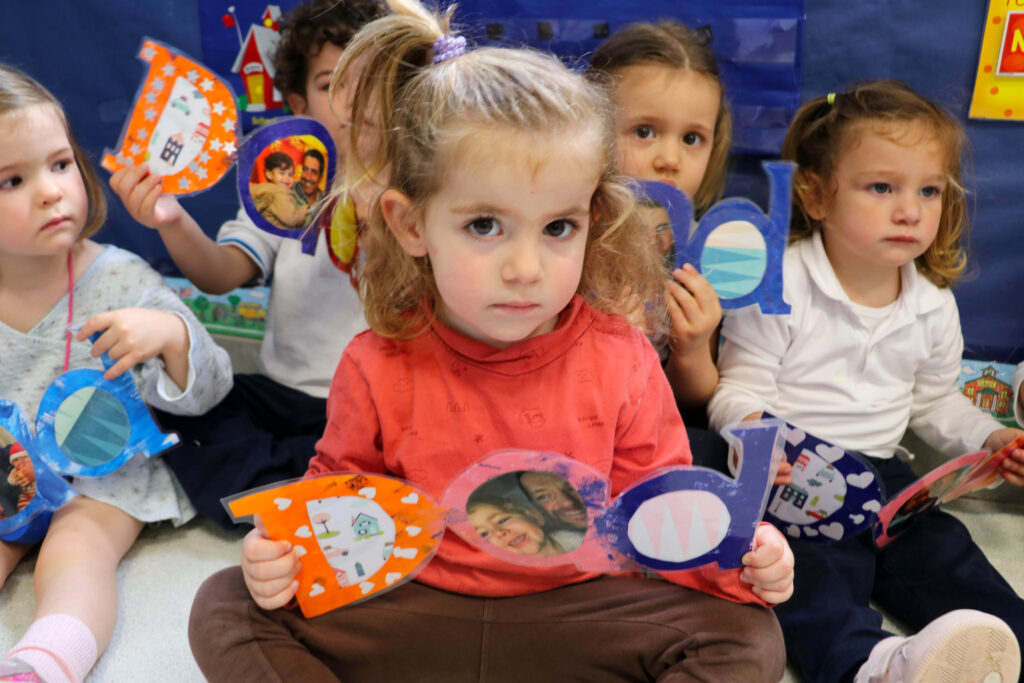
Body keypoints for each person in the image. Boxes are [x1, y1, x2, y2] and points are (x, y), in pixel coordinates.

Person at [187, 3, 795, 680]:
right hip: (415, 611)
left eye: (558, 228)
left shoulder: (621, 356)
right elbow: (336, 498)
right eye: (484, 225)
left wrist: (741, 557)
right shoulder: (375, 360)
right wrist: (282, 558)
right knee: (227, 603)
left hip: (577, 615)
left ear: (593, 219)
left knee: (748, 634)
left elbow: (659, 512)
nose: (525, 268)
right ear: (412, 224)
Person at [708, 80, 1024, 683]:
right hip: (797, 480)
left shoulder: (932, 303)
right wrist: (752, 433)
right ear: (815, 195)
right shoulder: (780, 285)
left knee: (949, 557)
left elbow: (933, 400)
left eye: (929, 190)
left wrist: (989, 439)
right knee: (808, 582)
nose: (910, 210)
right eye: (881, 188)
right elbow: (736, 388)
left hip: (888, 479)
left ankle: (1001, 648)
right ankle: (870, 667)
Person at [108, 0, 386, 529]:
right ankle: (309, 489)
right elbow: (219, 274)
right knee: (179, 405)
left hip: (378, 408)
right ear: (301, 106)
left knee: (420, 434)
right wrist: (171, 218)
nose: (354, 101)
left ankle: (312, 486)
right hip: (283, 396)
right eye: (332, 84)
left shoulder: (425, 190)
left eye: (372, 80)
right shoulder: (283, 188)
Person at [0, 64, 232, 683]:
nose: (51, 192)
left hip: (104, 473)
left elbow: (214, 387)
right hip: (9, 471)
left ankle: (44, 664)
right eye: (12, 180)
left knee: (77, 553)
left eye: (60, 164)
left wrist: (171, 335)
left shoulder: (121, 276)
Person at [586, 21, 733, 468]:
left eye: (692, 139)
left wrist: (692, 347)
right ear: (589, 129)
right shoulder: (565, 234)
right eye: (645, 131)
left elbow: (692, 402)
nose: (670, 159)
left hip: (654, 435)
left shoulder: (703, 251)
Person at [467, 496, 569, 557]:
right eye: (484, 534)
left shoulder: (576, 540)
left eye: (502, 520)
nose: (499, 532)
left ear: (535, 516)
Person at [251, 151, 309, 229]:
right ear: (269, 174)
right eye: (282, 173)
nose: (286, 178)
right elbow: (291, 219)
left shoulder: (266, 189)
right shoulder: (279, 192)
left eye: (290, 175)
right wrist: (303, 212)